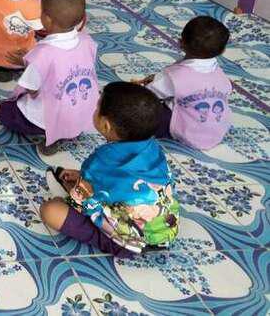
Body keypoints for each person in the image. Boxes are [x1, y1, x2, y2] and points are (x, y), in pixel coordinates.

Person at [40, 82, 180, 258]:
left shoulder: (101, 160)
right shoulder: (154, 148)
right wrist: (84, 178)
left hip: (130, 242)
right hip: (165, 230)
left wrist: (73, 191)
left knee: (50, 210)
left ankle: (110, 243)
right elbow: (124, 180)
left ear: (106, 125)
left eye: (97, 107)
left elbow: (83, 202)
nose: (95, 109)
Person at [0, 0, 98, 155]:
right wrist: (28, 61)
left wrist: (29, 63)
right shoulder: (87, 41)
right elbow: (66, 66)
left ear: (47, 20)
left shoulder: (43, 53)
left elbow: (32, 88)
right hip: (80, 116)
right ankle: (62, 134)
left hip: (43, 120)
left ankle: (51, 134)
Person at [144, 16, 232, 150]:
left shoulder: (175, 76)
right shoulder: (220, 74)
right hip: (217, 132)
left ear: (181, 43)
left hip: (185, 131)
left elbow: (149, 94)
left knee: (146, 109)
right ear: (222, 51)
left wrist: (148, 83)